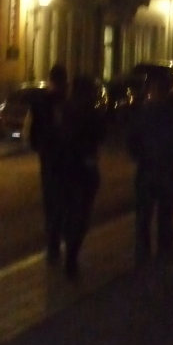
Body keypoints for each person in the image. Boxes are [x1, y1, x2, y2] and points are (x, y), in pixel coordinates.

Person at [128, 72, 173, 265]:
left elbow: (132, 142)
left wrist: (141, 156)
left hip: (147, 172)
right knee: (165, 219)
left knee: (143, 220)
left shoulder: (143, 115)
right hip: (167, 173)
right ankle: (164, 258)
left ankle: (142, 260)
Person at [60, 74, 106, 278]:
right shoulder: (91, 113)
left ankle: (67, 250)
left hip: (67, 169)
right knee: (82, 214)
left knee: (70, 211)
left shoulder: (65, 111)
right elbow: (100, 135)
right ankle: (72, 254)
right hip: (85, 169)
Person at [26, 63, 68, 265]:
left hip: (48, 158)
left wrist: (39, 147)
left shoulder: (39, 102)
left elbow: (30, 131)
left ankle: (53, 245)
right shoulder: (65, 103)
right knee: (63, 202)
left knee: (51, 203)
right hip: (64, 158)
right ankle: (59, 243)